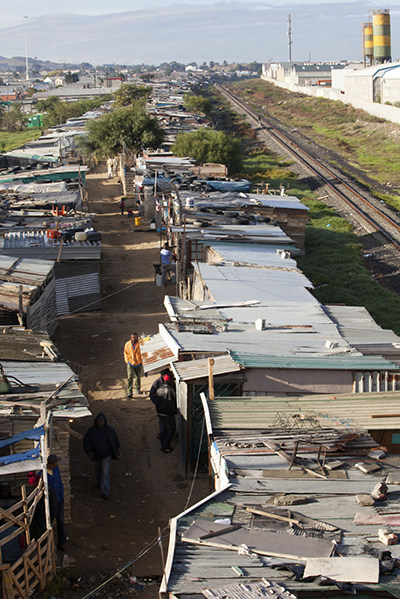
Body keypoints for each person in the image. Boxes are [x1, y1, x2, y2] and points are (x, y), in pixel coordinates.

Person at [83, 412, 120, 500]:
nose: (100, 423)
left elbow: (115, 440)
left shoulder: (109, 430)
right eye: (98, 421)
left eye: (102, 421)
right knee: (98, 470)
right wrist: (88, 451)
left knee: (105, 473)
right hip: (95, 456)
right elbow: (86, 441)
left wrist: (117, 450)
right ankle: (100, 483)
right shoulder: (91, 431)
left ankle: (106, 491)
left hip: (106, 455)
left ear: (104, 421)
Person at [47, 454, 67, 551]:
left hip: (58, 499)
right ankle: (48, 543)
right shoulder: (43, 473)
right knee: (48, 522)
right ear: (53, 463)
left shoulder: (56, 469)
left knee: (60, 521)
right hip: (50, 502)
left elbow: (59, 482)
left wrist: (61, 493)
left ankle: (62, 542)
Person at [153, 375, 177, 453]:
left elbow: (156, 400)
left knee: (163, 430)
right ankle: (165, 446)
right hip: (168, 414)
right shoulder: (171, 390)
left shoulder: (159, 389)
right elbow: (174, 402)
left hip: (160, 413)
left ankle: (163, 444)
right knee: (171, 429)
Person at [124, 332, 143, 398]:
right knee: (130, 377)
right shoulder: (127, 344)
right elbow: (125, 353)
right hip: (130, 363)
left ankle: (138, 388)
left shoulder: (140, 344)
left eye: (134, 338)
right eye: (132, 338)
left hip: (138, 363)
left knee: (138, 377)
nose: (133, 339)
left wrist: (141, 361)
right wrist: (127, 361)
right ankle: (129, 391)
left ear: (137, 337)